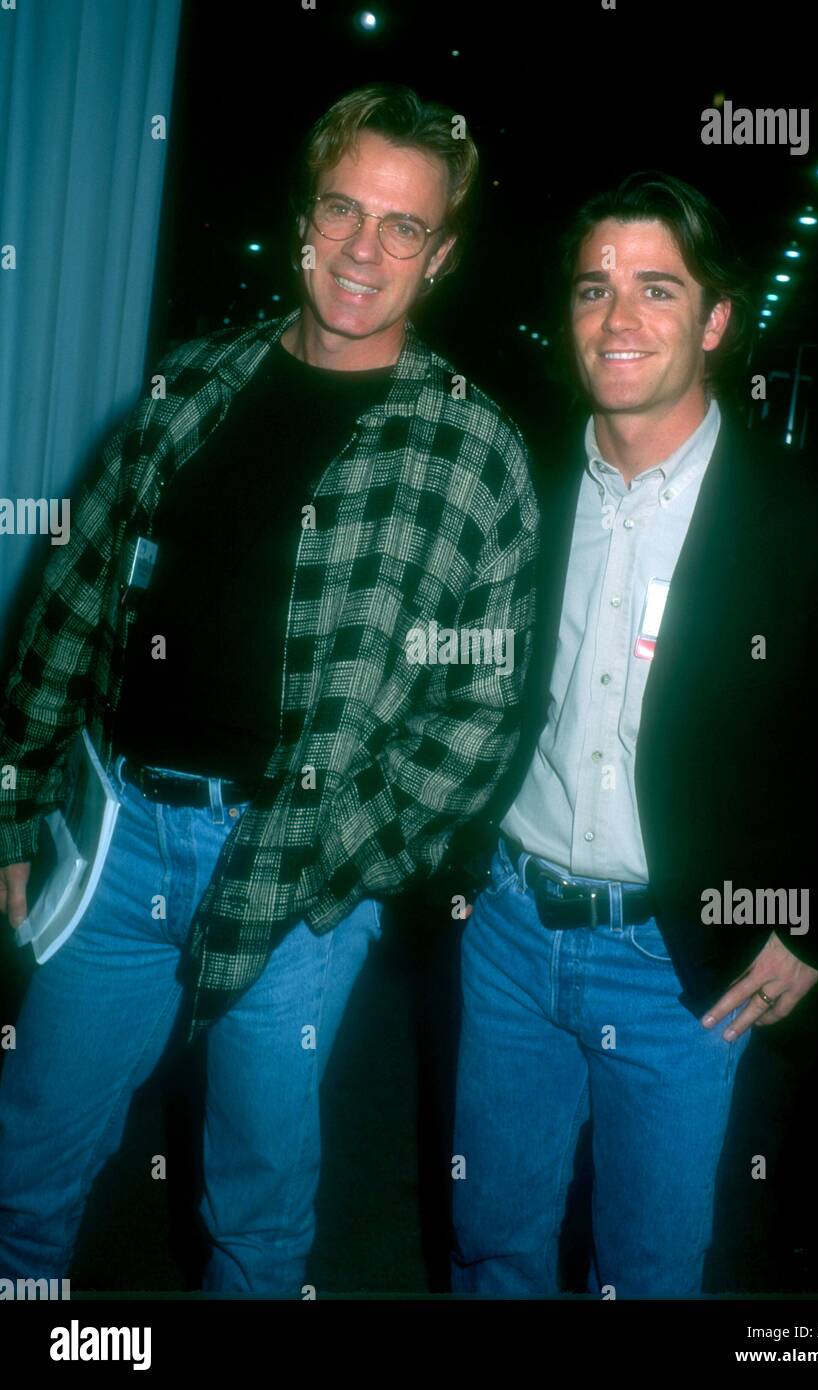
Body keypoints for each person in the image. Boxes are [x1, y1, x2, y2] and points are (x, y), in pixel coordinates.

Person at [0, 83, 538, 1294]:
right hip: (122, 836)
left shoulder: (474, 450)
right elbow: (74, 600)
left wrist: (339, 856)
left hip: (305, 865)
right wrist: (15, 805)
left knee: (258, 1206)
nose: (362, 249)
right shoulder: (188, 387)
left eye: (401, 227)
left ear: (440, 256)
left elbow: (481, 712)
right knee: (25, 1168)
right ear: (303, 218)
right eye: (342, 209)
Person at [448, 170, 818, 1298]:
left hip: (679, 964)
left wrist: (816, 924)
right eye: (593, 290)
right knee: (493, 1246)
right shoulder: (522, 488)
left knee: (644, 1274)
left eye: (655, 289)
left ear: (717, 319)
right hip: (506, 928)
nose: (618, 320)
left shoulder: (805, 520)